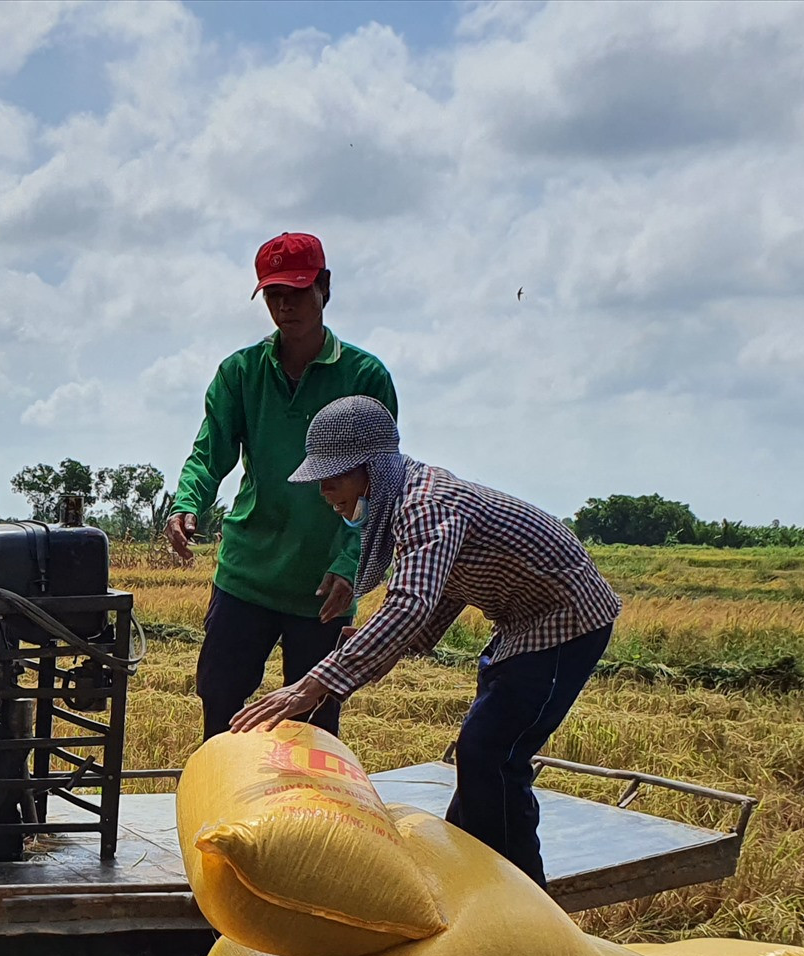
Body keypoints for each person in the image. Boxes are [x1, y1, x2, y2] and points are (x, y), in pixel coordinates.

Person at [232, 395, 621, 887]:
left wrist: (313, 686)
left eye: (335, 474)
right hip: (521, 623)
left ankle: (524, 899)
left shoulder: (425, 504)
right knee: (481, 752)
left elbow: (411, 602)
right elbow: (444, 590)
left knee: (493, 755)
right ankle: (469, 872)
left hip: (564, 620)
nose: (325, 489)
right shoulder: (410, 500)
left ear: (372, 467)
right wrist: (396, 643)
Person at [167, 231, 398, 741]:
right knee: (221, 695)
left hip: (325, 584)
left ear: (325, 288)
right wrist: (188, 502)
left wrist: (349, 565)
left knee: (315, 717)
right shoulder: (241, 373)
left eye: (296, 292)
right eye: (273, 296)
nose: (284, 306)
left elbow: (381, 485)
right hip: (248, 571)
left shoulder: (364, 376)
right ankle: (228, 809)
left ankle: (306, 816)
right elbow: (210, 452)